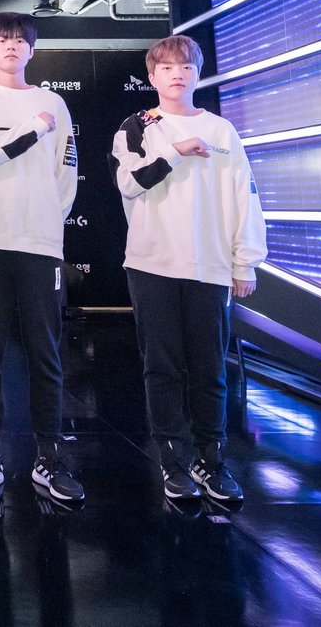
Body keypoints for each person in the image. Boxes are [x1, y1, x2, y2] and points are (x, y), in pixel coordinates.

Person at [109, 35, 265, 503]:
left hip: (211, 266)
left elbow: (245, 197)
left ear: (197, 74)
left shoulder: (222, 130)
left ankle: (211, 460)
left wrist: (245, 261)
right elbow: (129, 183)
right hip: (152, 263)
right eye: (167, 68)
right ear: (151, 76)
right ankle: (172, 459)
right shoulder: (137, 126)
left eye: (186, 67)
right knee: (162, 366)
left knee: (210, 368)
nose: (177, 75)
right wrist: (177, 150)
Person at [0, 12, 84, 506]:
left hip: (39, 243)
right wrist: (28, 130)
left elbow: (65, 171)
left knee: (45, 354)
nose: (11, 46)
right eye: (2, 39)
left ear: (32, 49)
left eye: (19, 40)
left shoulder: (54, 103)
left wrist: (46, 217)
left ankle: (49, 457)